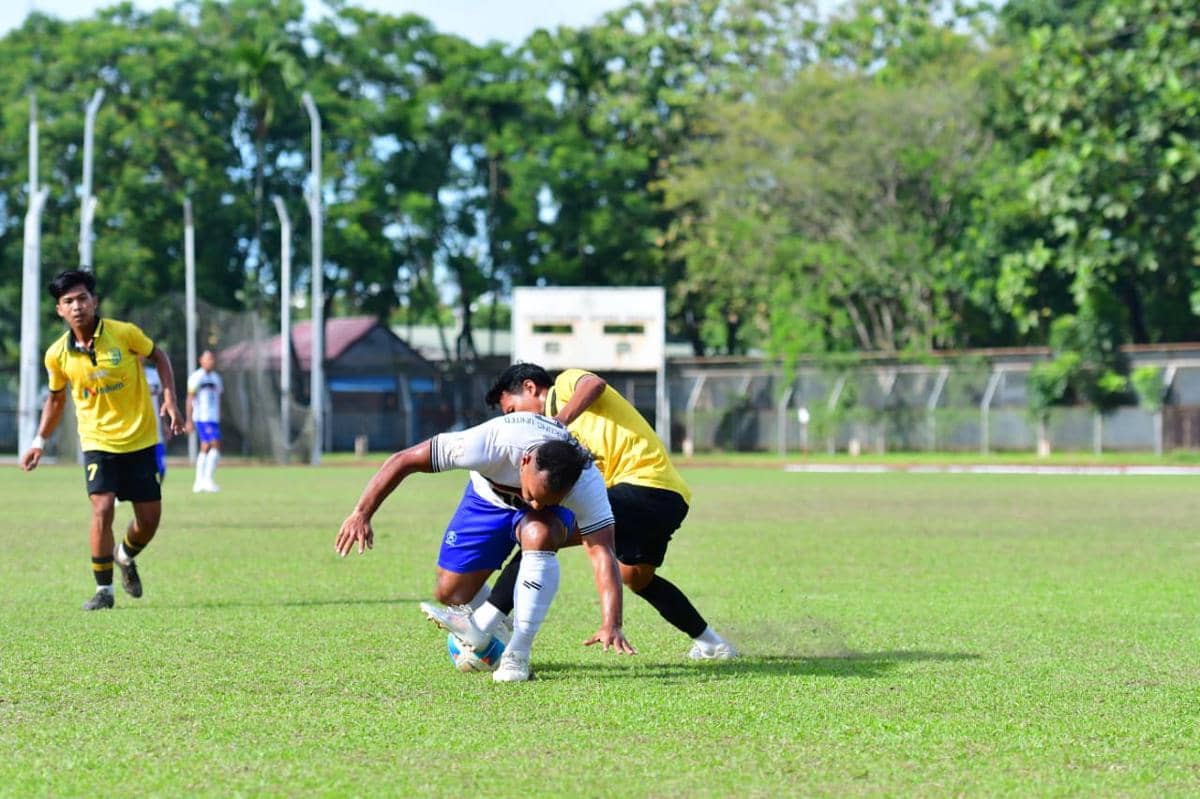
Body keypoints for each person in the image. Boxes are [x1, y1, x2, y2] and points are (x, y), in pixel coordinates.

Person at [335, 411, 635, 682]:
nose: (534, 503)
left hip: (542, 525)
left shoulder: (585, 484)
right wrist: (362, 512)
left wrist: (612, 622)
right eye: (532, 494)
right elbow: (404, 460)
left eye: (547, 500)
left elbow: (602, 552)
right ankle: (497, 620)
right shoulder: (489, 444)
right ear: (525, 461)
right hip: (486, 501)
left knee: (539, 530)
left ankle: (518, 653)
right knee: (451, 593)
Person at [479, 363, 738, 660]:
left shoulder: (564, 386)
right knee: (637, 578)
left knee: (540, 533)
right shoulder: (558, 447)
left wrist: (558, 422)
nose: (516, 420)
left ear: (530, 387)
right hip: (666, 499)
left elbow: (594, 385)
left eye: (512, 411)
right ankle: (712, 644)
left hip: (643, 487)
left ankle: (484, 621)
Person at [20, 269, 185, 610]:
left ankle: (124, 556)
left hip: (140, 440)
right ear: (60, 311)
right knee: (103, 506)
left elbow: (160, 356)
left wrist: (170, 398)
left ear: (94, 302)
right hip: (97, 443)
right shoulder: (56, 355)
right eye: (68, 301)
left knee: (149, 521)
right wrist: (39, 440)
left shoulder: (124, 334)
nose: (77, 306)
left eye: (83, 298)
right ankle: (104, 591)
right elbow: (55, 399)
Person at [186, 349, 223, 492]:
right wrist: (189, 420)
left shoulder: (216, 378)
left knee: (206, 447)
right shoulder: (196, 377)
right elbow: (190, 399)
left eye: (212, 359)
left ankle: (200, 481)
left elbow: (218, 398)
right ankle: (206, 480)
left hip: (213, 418)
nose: (210, 361)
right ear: (201, 360)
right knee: (215, 445)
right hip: (202, 417)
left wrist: (219, 416)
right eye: (207, 359)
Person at [143, 358, 168, 483]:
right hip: (136, 426)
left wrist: (164, 423)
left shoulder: (154, 375)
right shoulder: (127, 375)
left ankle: (157, 490)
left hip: (155, 424)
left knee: (162, 467)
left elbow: (160, 400)